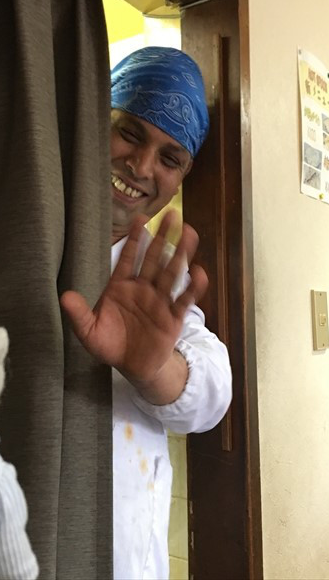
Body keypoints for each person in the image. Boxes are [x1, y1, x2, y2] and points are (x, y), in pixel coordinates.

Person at [61, 46, 232, 580]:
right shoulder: (22, 234)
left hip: (120, 550)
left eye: (169, 158)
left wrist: (154, 368)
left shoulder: (160, 281)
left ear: (182, 177)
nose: (140, 167)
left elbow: (213, 392)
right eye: (129, 133)